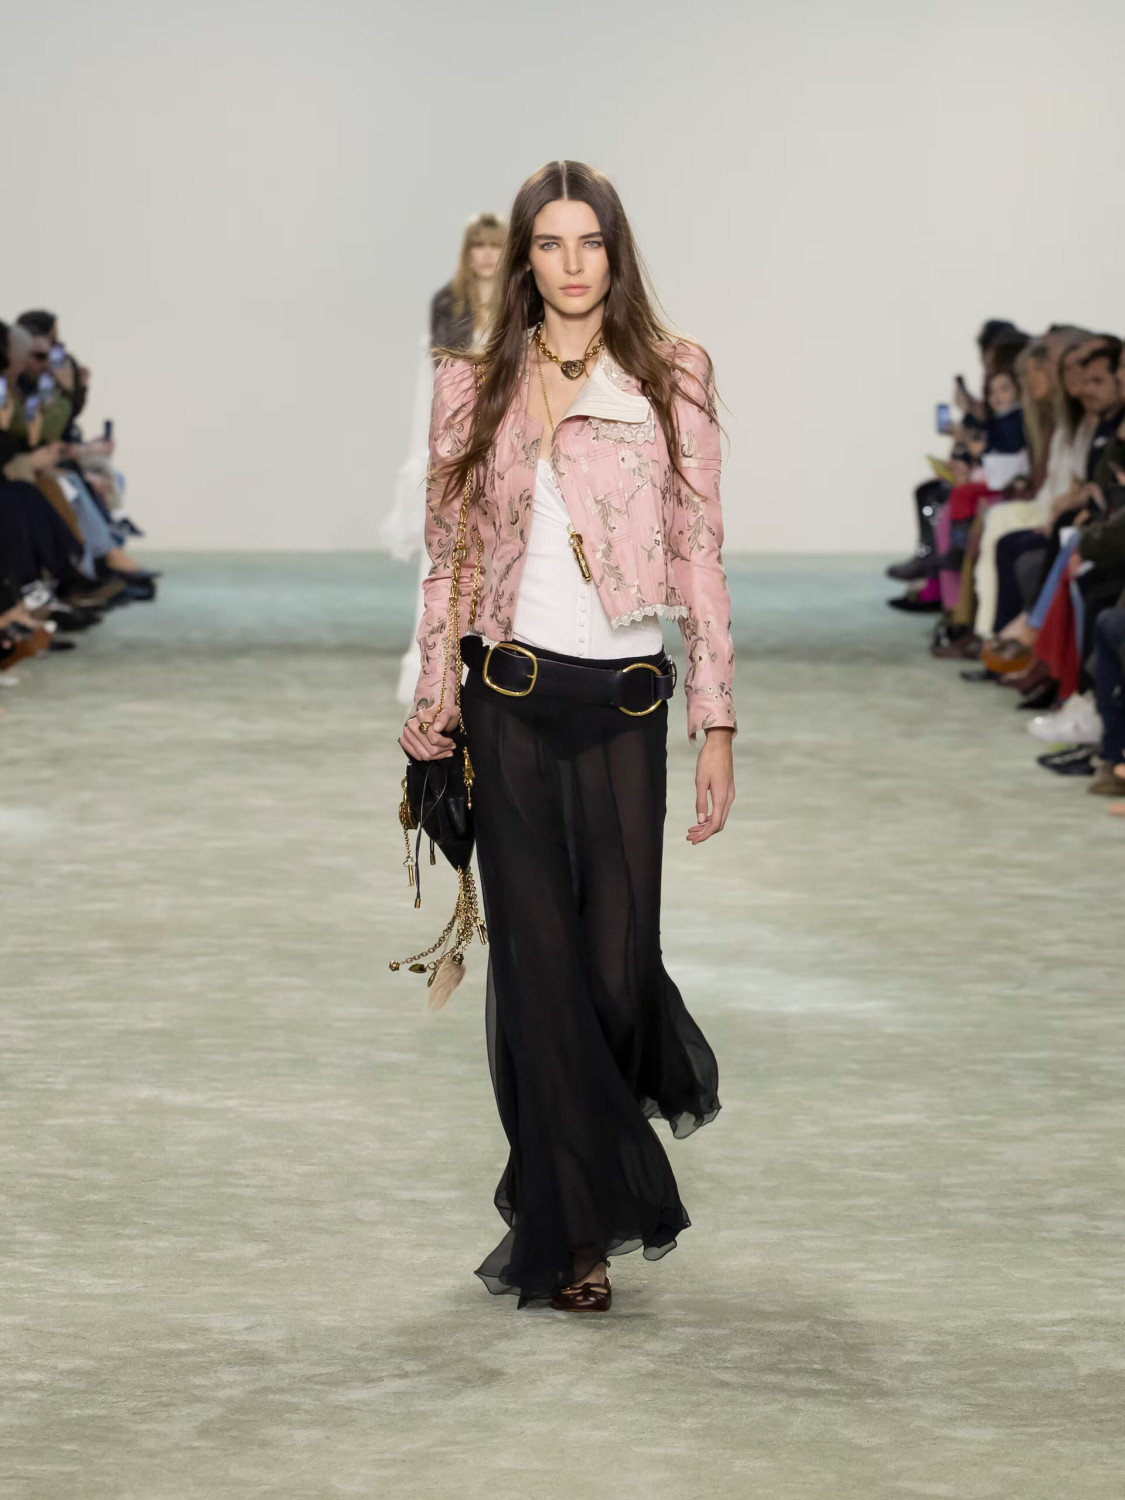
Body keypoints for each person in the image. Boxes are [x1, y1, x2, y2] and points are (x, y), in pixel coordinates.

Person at [397, 160, 736, 1312]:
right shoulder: (472, 384)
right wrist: (434, 701)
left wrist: (717, 717)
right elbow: (449, 557)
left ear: (616, 251)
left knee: (615, 974)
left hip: (627, 710)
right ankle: (574, 1235)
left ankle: (584, 1172)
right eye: (551, 242)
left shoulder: (672, 373)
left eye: (591, 241)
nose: (573, 262)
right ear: (525, 259)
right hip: (509, 701)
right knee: (540, 981)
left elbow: (699, 550)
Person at [384, 214, 508, 703]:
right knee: (450, 556)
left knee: (500, 551)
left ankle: (494, 664)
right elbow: (445, 378)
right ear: (467, 251)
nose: (487, 254)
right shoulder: (448, 302)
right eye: (479, 245)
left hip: (507, 435)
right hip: (459, 438)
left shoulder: (520, 300)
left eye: (495, 245)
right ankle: (440, 674)